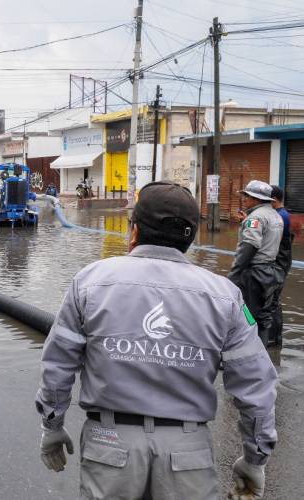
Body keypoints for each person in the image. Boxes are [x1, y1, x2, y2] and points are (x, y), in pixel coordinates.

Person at [36, 182, 277, 500]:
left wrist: (52, 426)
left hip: (109, 445)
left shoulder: (90, 282)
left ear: (134, 230)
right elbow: (256, 386)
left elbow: (58, 365)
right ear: (190, 238)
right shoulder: (225, 296)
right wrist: (255, 458)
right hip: (188, 454)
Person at [228, 180, 284, 346]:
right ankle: (263, 352)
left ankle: (250, 353)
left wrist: (234, 274)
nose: (244, 199)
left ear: (257, 199)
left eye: (247, 196)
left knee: (248, 316)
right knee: (263, 318)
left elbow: (249, 246)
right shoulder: (275, 215)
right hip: (271, 272)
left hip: (254, 274)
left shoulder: (256, 217)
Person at [270, 185, 294, 346]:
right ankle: (274, 338)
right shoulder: (280, 214)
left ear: (273, 199)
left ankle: (274, 338)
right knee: (273, 300)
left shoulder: (281, 216)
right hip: (280, 262)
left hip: (279, 263)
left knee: (273, 301)